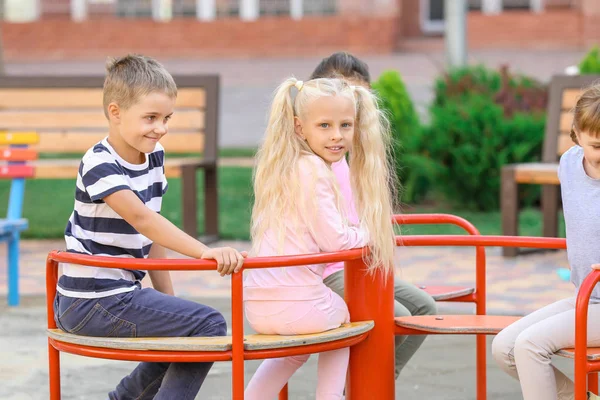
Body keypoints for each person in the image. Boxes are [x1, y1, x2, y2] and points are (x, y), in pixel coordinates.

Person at [53, 54, 246, 400]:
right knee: (209, 324)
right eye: (151, 118)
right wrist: (205, 251)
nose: (160, 128)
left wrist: (169, 303)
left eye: (167, 118)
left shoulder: (153, 155)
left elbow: (148, 234)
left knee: (188, 330)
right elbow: (143, 219)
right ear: (116, 112)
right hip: (91, 300)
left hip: (119, 296)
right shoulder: (99, 162)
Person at [243, 76, 397, 399]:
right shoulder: (313, 170)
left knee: (295, 351)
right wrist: (370, 230)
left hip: (257, 303)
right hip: (296, 303)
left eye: (346, 125)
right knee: (344, 322)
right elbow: (337, 242)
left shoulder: (285, 166)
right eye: (324, 126)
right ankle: (329, 396)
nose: (337, 136)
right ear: (300, 128)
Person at [311, 51, 437, 379]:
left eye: (360, 98)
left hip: (357, 262)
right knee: (390, 315)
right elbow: (332, 238)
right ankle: (359, 386)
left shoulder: (351, 159)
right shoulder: (314, 163)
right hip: (327, 268)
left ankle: (375, 383)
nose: (354, 106)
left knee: (424, 309)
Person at [492, 83, 600, 400]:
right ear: (577, 135)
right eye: (597, 145)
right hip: (587, 297)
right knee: (505, 347)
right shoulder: (569, 164)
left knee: (530, 346)